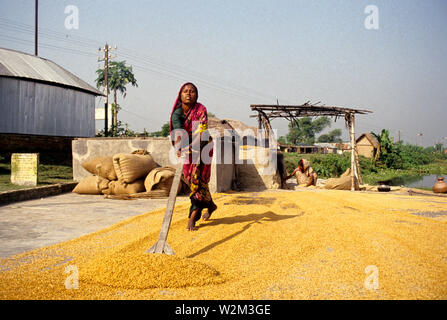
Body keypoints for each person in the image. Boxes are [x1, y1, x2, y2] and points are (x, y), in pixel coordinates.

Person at [170, 82, 217, 231]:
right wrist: (179, 147)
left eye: (192, 91)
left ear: (196, 95)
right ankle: (210, 205)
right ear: (180, 95)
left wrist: (191, 147)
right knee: (190, 178)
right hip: (187, 146)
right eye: (185, 91)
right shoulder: (177, 113)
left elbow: (201, 132)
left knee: (197, 179)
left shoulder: (200, 109)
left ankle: (192, 218)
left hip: (203, 145)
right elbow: (178, 132)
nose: (188, 94)